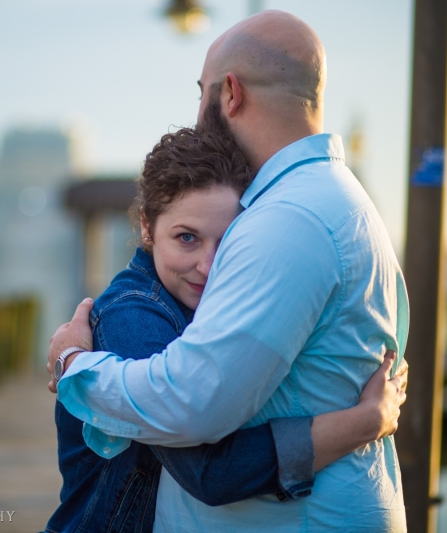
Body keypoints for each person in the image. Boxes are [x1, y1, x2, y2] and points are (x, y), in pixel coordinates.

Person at [49, 9, 409, 532]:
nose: (209, 263)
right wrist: (364, 423)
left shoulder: (288, 220)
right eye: (188, 237)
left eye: (202, 93)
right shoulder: (343, 201)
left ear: (230, 94)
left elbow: (193, 405)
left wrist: (73, 365)